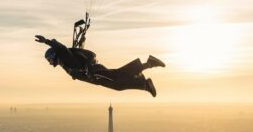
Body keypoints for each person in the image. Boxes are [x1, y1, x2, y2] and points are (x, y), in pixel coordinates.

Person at [34, 34, 165, 97]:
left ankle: (148, 70)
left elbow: (60, 47)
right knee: (118, 83)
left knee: (118, 79)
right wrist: (76, 74)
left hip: (94, 73)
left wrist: (46, 41)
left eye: (49, 59)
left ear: (52, 55)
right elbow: (75, 64)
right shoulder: (64, 62)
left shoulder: (62, 56)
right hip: (94, 77)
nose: (49, 62)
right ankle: (145, 82)